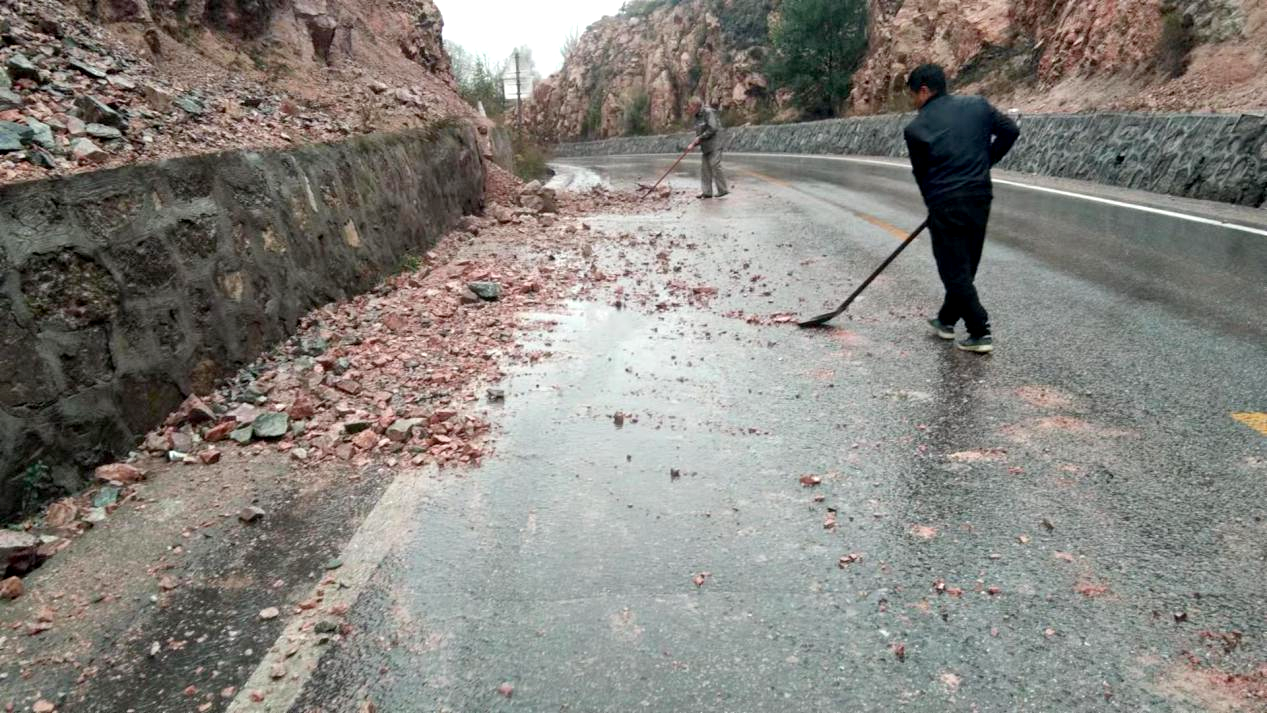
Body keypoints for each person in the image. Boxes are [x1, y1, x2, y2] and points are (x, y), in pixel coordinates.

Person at [904, 64, 1019, 354]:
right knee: (966, 265)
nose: (914, 102)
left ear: (924, 90)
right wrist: (985, 162)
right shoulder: (977, 106)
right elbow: (1010, 130)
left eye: (913, 95)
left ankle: (979, 330)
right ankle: (946, 320)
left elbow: (922, 174)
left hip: (945, 200)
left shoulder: (916, 129)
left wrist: (934, 207)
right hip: (980, 195)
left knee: (954, 270)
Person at [687, 97, 728, 199]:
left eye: (690, 107)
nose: (689, 109)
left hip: (715, 144)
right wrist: (694, 144)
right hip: (706, 146)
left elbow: (712, 128)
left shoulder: (708, 112)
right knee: (705, 169)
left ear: (696, 106)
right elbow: (699, 134)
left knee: (715, 165)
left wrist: (699, 138)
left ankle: (722, 190)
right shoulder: (697, 117)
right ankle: (707, 192)